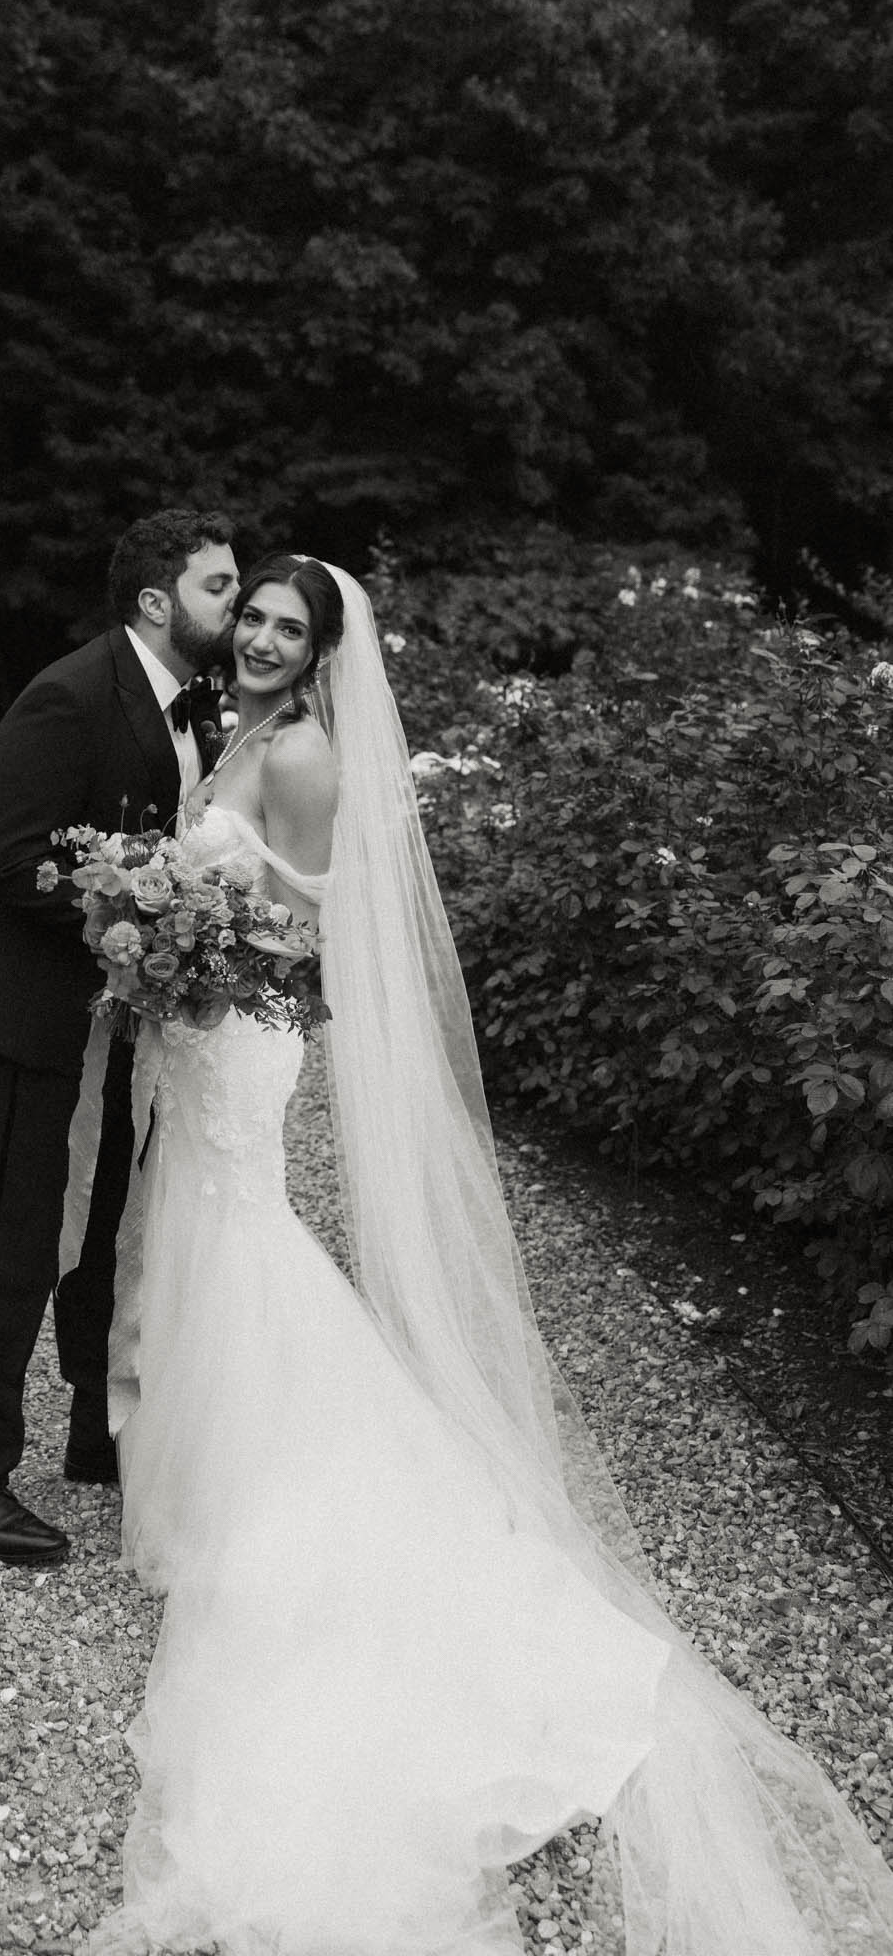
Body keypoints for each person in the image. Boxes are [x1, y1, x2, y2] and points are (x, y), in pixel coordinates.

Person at [85, 555, 893, 1954]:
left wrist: (191, 944)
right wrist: (168, 940)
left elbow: (307, 927)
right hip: (198, 1028)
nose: (266, 638)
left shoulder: (311, 759)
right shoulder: (237, 735)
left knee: (239, 1237)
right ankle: (211, 1469)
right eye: (256, 618)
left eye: (291, 626)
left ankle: (281, 1494)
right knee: (198, 1244)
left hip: (242, 1038)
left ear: (323, 651)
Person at [0, 508, 237, 1566]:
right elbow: (6, 864)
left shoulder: (194, 704)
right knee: (12, 1237)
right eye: (218, 587)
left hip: (120, 1020)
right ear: (157, 599)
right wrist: (144, 921)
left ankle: (94, 1433)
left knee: (102, 1228)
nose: (233, 606)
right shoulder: (67, 693)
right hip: (32, 1014)